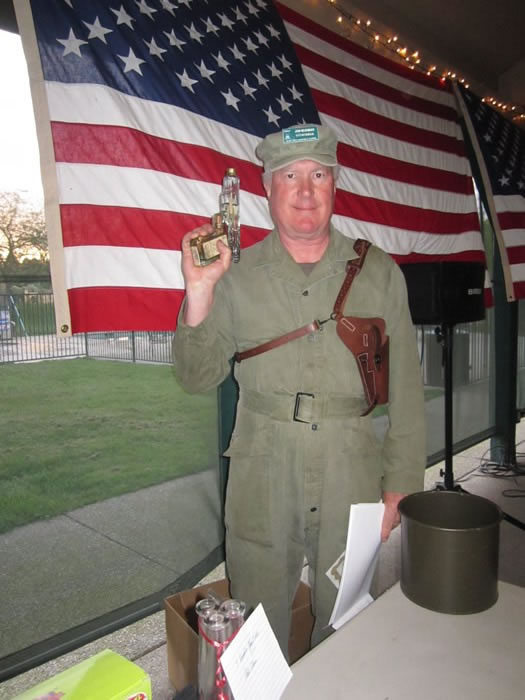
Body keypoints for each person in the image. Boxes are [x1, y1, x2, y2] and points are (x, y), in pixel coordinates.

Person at [173, 123, 426, 656]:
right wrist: (198, 291)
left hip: (351, 468)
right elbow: (196, 376)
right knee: (256, 628)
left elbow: (406, 384)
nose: (305, 191)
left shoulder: (378, 271)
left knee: (346, 620)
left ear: (335, 184)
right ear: (268, 187)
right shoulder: (235, 275)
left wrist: (400, 484)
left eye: (318, 175)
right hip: (262, 474)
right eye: (290, 176)